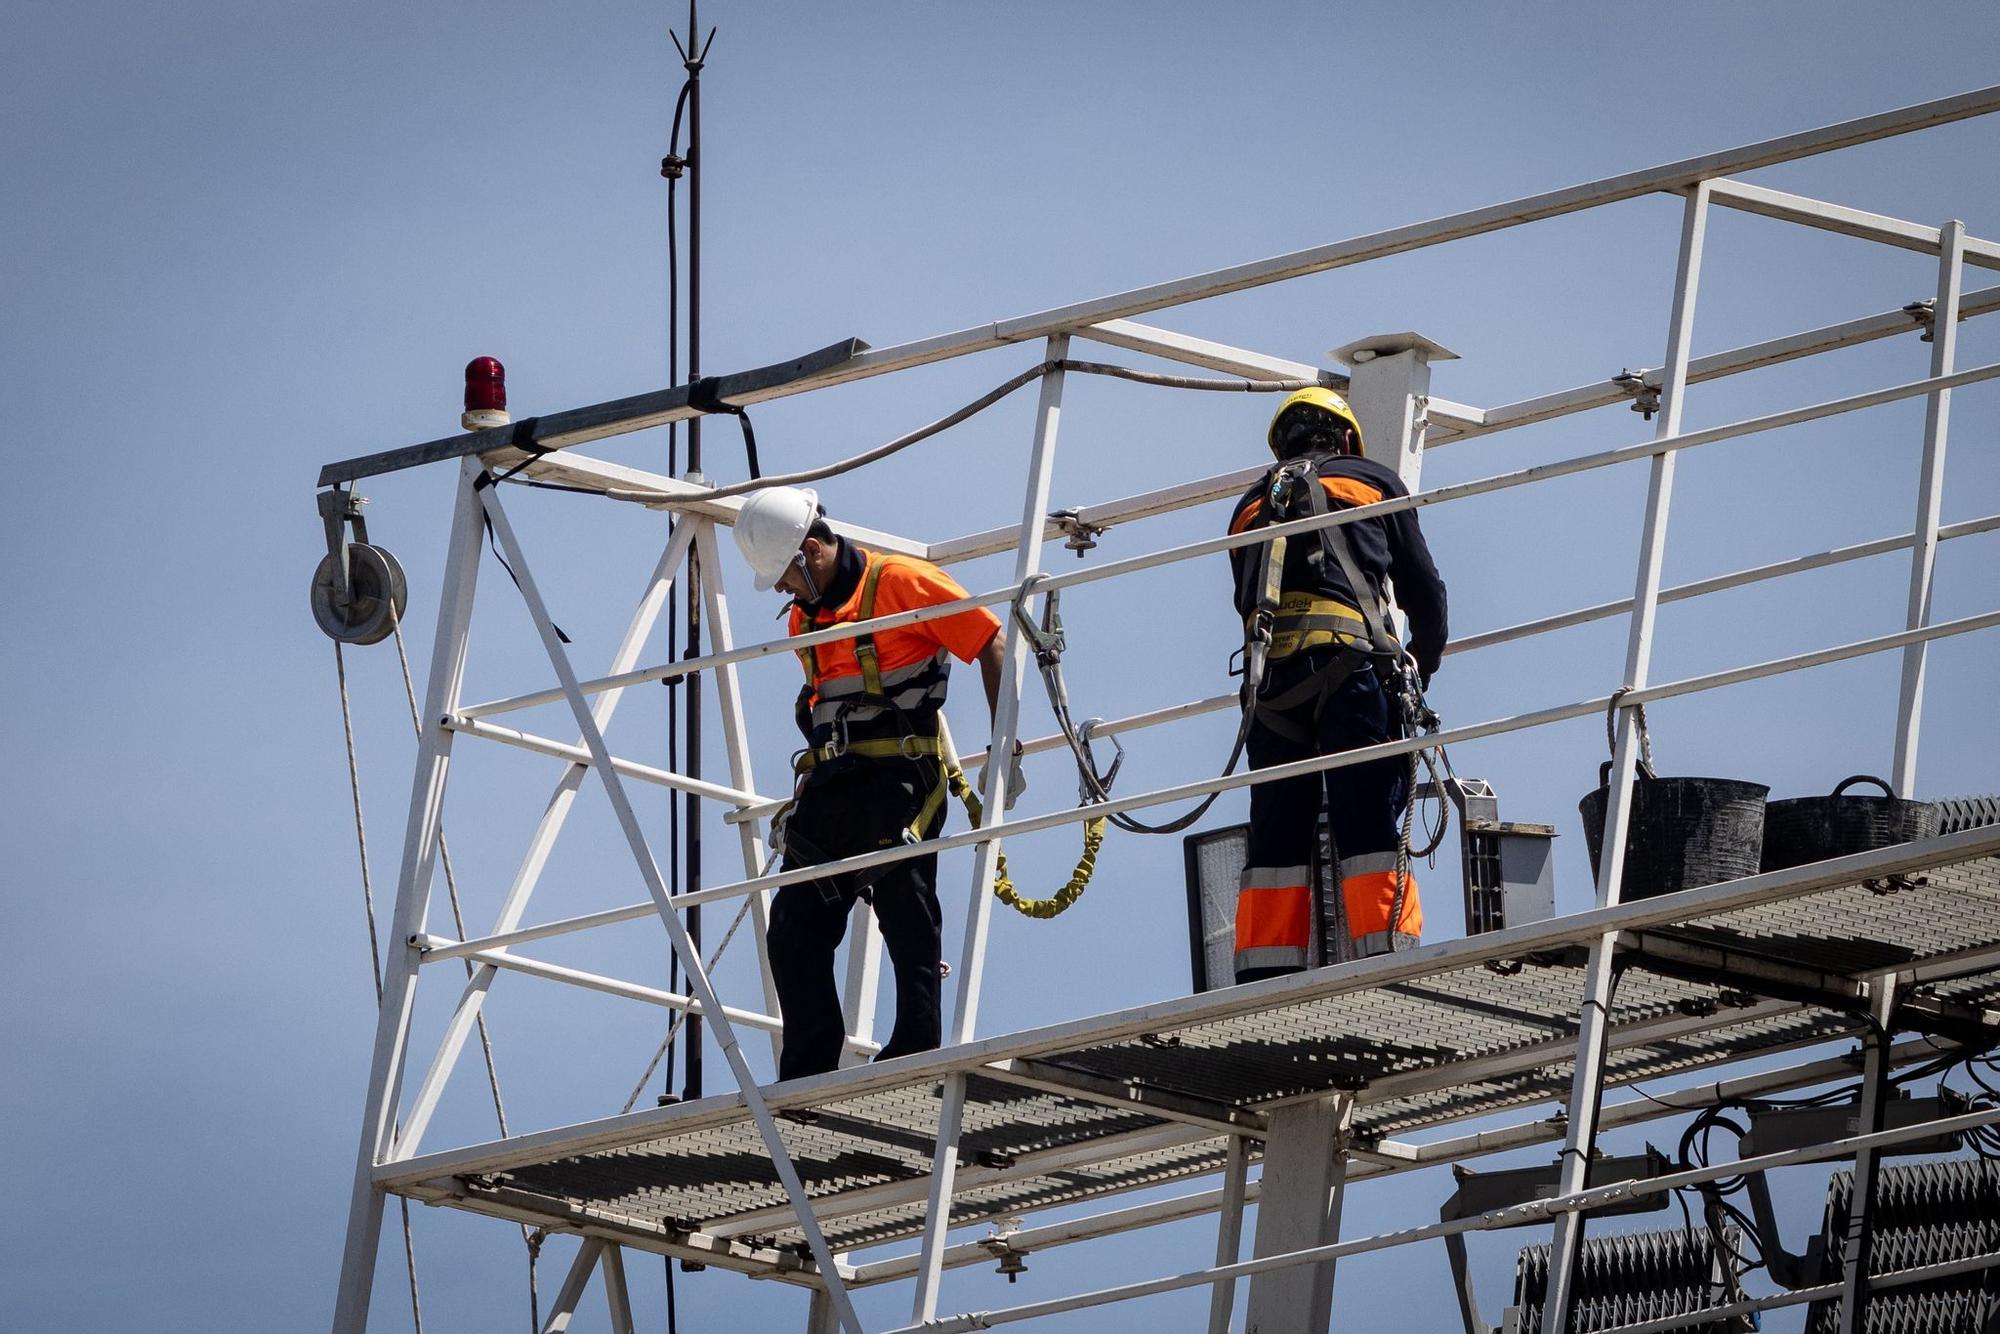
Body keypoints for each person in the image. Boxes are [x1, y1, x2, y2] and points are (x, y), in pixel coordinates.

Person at [733, 485, 1022, 1080]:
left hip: (901, 779)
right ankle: (809, 1067)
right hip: (834, 785)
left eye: (786, 575)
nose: (784, 590)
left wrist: (1003, 744)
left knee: (907, 910)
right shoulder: (803, 616)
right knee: (793, 929)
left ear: (813, 550)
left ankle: (915, 1051)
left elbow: (990, 641)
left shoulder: (903, 584)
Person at [1226, 387, 1448, 982]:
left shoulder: (1250, 506)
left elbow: (1245, 598)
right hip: (1351, 672)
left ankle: (1264, 976)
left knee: (1276, 830)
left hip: (1270, 690)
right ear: (1346, 437)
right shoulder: (1372, 481)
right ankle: (1387, 957)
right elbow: (1424, 589)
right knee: (1369, 819)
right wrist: (1420, 666)